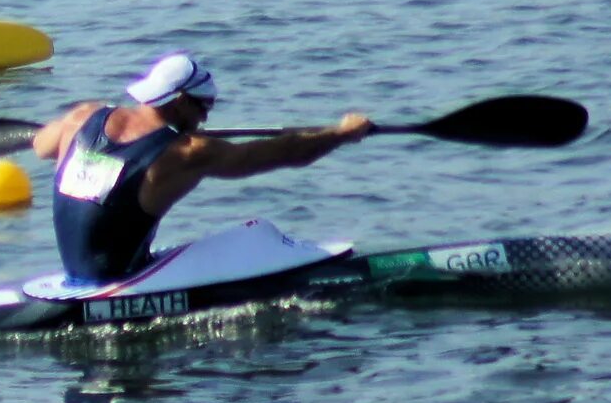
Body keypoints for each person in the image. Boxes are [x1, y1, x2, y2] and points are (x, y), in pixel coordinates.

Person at [27, 52, 372, 286]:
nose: (206, 117)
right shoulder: (186, 153)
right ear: (179, 102)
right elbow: (284, 153)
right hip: (123, 280)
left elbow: (41, 145)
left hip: (77, 276)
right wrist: (342, 133)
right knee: (256, 233)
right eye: (204, 106)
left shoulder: (83, 115)